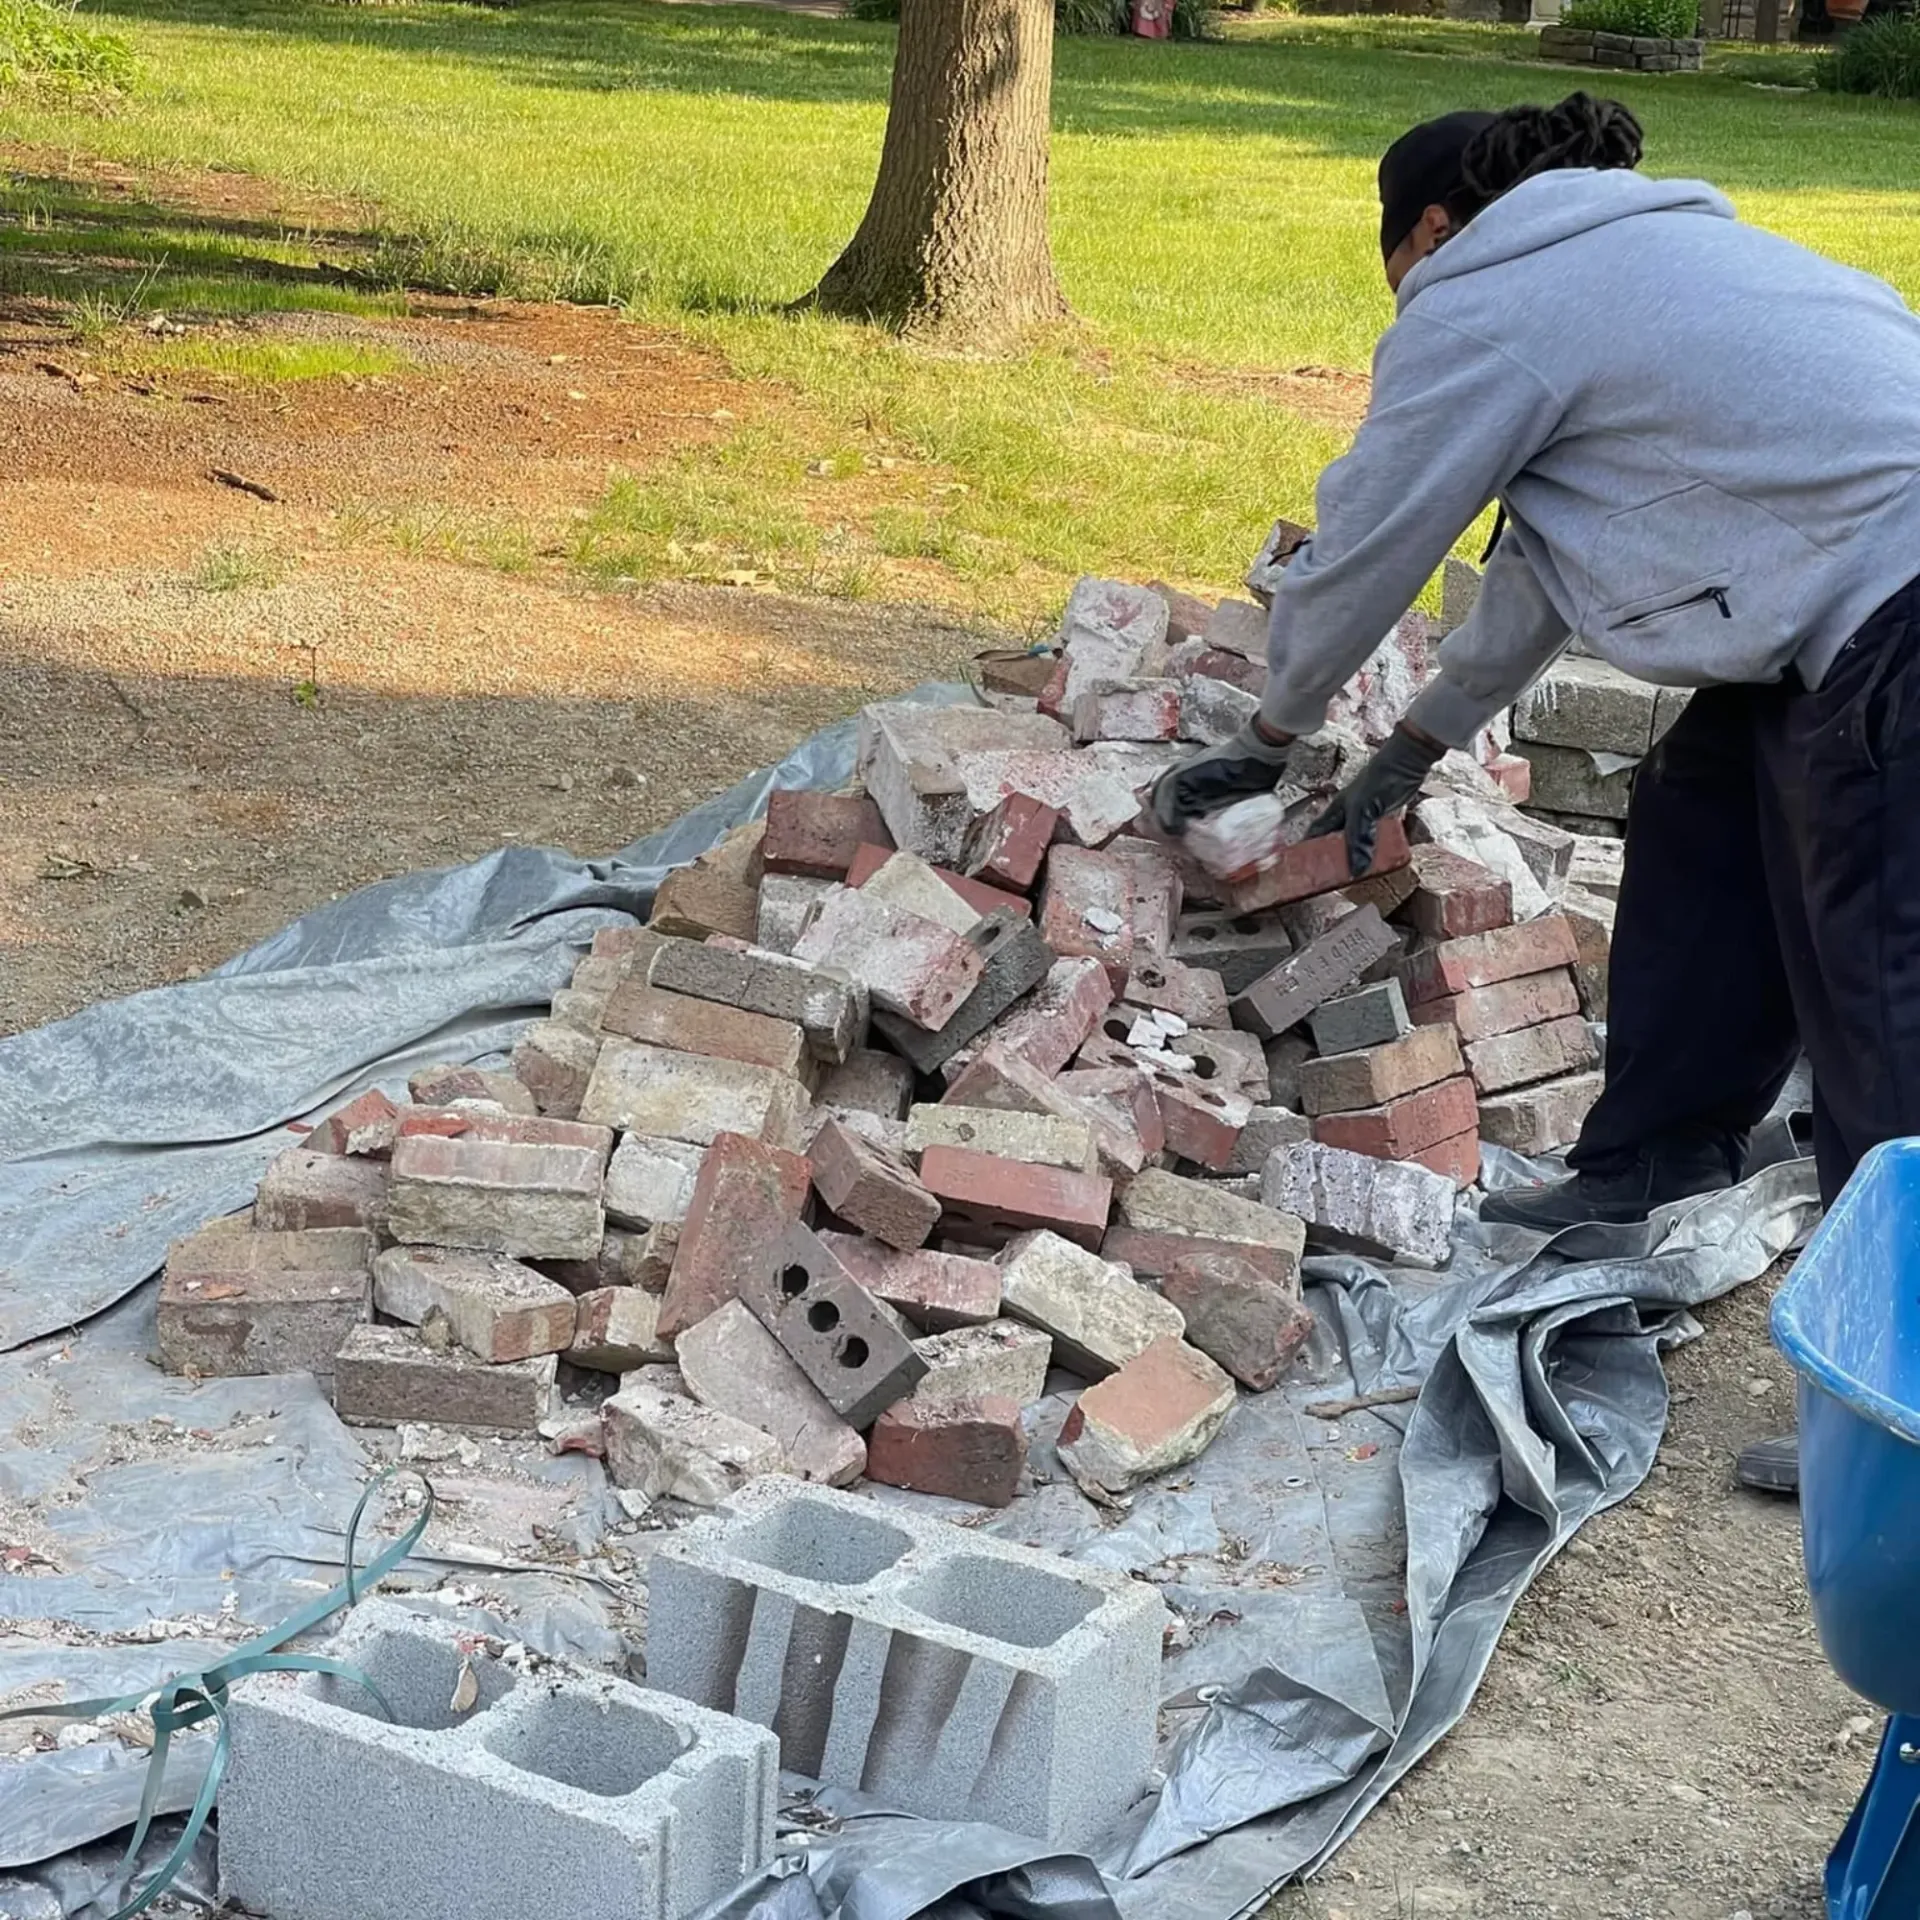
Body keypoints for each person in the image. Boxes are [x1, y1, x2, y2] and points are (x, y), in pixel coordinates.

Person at [1152, 94, 1920, 1491]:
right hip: (1845, 595)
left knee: (1886, 994)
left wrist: (1267, 736)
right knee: (1705, 831)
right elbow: (1539, 568)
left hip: (1898, 618)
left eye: (1394, 268)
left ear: (1431, 232)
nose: (1397, 306)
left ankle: (1899, 1427)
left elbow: (1378, 533)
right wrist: (1416, 744)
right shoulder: (1630, 265)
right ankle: (1652, 1159)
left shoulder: (1485, 298)